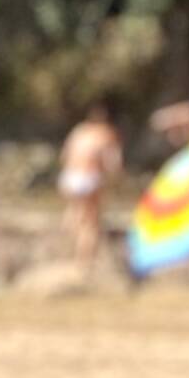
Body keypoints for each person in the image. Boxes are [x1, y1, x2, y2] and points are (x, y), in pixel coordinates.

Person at [55, 102, 123, 274]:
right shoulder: (106, 134)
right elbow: (113, 163)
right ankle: (84, 264)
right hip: (88, 178)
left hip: (68, 176)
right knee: (91, 222)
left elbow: (64, 155)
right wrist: (114, 179)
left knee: (74, 213)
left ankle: (64, 254)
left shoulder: (78, 131)